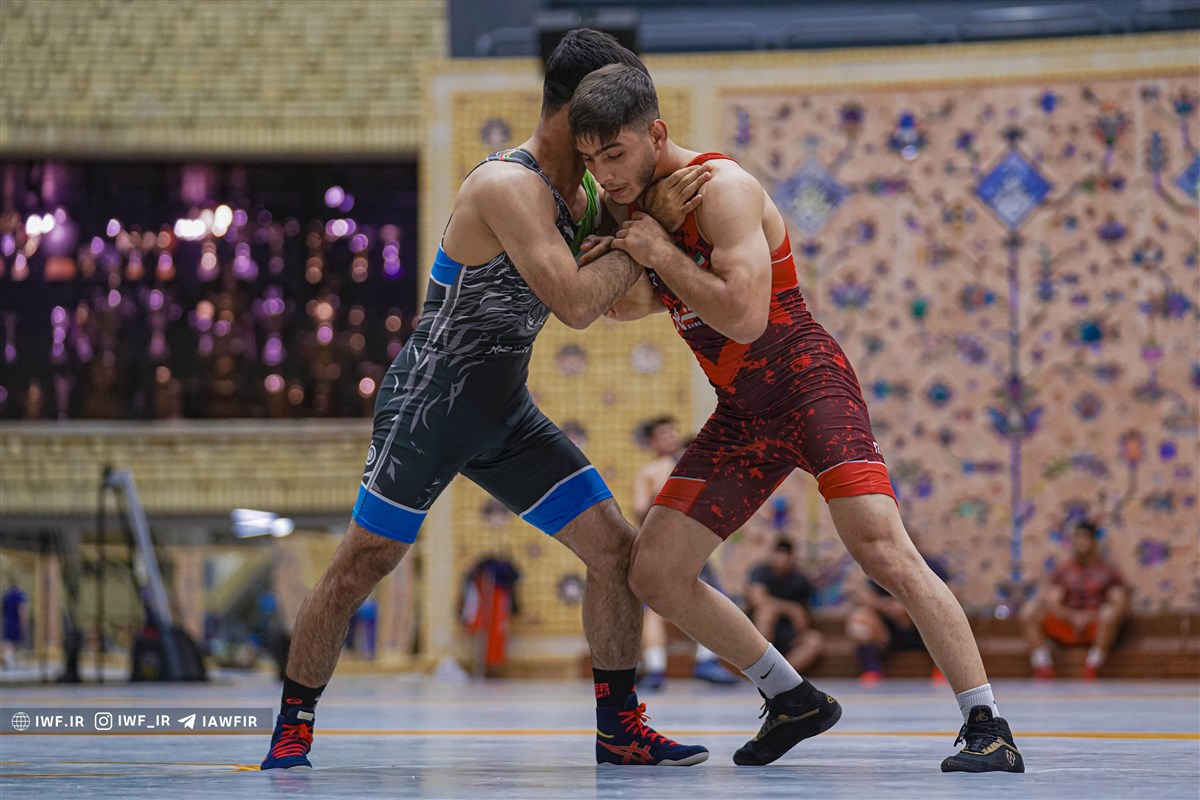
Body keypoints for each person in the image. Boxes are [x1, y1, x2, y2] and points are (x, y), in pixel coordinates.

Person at [261, 31, 710, 771]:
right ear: (576, 107)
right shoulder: (506, 185)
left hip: (505, 412)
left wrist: (656, 242)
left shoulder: (585, 194)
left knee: (614, 551)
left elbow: (622, 289)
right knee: (363, 562)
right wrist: (648, 233)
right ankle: (292, 726)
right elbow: (577, 302)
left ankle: (619, 727)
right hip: (428, 408)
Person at [568, 63, 1024, 773]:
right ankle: (792, 698)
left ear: (656, 134)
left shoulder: (724, 190)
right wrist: (636, 246)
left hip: (808, 384)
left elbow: (745, 318)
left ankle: (988, 724)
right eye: (591, 161)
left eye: (616, 154)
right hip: (743, 412)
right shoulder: (632, 207)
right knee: (654, 572)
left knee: (881, 549)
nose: (605, 175)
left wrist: (655, 249)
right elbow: (620, 307)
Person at [632, 416, 739, 689]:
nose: (671, 436)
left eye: (673, 431)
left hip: (693, 544)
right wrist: (663, 495)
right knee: (654, 607)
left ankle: (704, 661)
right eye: (664, 433)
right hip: (663, 544)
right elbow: (639, 510)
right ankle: (657, 668)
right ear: (652, 442)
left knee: (710, 598)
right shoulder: (650, 472)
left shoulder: (692, 465)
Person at [1020, 518, 1128, 680]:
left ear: (1094, 541)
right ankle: (1043, 666)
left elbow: (1120, 604)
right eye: (1076, 537)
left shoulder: (1108, 572)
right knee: (1029, 611)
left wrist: (1090, 616)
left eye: (1084, 537)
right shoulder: (1064, 571)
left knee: (1109, 612)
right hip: (1067, 624)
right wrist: (1072, 616)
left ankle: (1092, 667)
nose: (1080, 541)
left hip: (1095, 627)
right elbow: (1053, 601)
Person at [846, 549, 951, 684]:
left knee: (943, 616)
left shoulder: (929, 564)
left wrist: (910, 607)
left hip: (924, 627)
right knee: (860, 619)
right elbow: (863, 595)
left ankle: (943, 670)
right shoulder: (881, 566)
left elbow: (952, 591)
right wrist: (886, 606)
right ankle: (872, 669)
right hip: (889, 627)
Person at [745, 539, 824, 674]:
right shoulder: (760, 572)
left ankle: (781, 674)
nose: (781, 559)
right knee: (767, 612)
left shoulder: (800, 580)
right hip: (760, 634)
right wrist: (790, 608)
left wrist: (794, 613)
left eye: (786, 555)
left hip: (789, 635)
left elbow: (803, 620)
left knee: (814, 640)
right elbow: (758, 600)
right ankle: (761, 665)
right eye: (778, 554)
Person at [2, 581, 28, 669]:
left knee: (8, 642)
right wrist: (23, 622)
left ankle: (10, 660)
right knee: (17, 642)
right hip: (17, 622)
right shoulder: (20, 596)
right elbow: (22, 609)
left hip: (8, 621)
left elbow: (3, 610)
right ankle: (15, 661)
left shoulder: (6, 595)